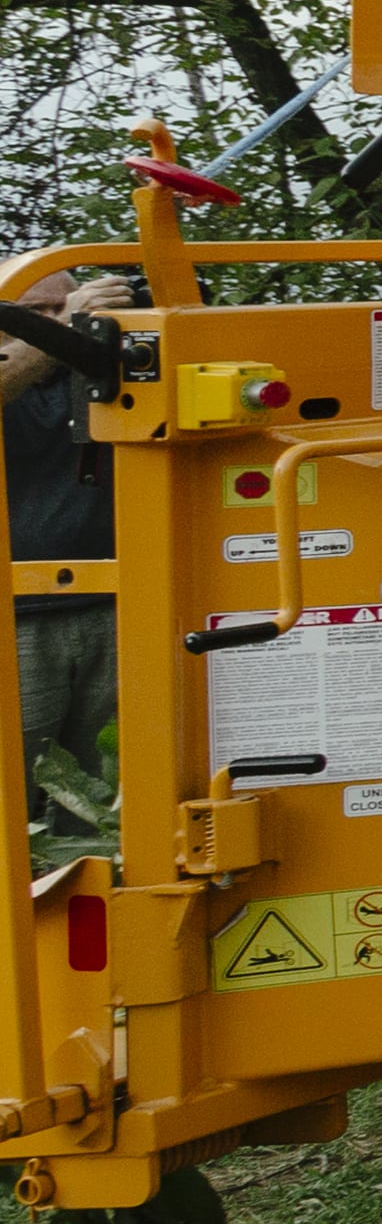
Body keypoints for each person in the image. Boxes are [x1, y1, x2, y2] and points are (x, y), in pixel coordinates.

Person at [7, 271, 133, 852]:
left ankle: (84, 890)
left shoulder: (105, 369)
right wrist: (60, 330)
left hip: (117, 606)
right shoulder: (15, 371)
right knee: (10, 786)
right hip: (18, 619)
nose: (59, 316)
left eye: (67, 304)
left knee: (96, 799)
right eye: (36, 310)